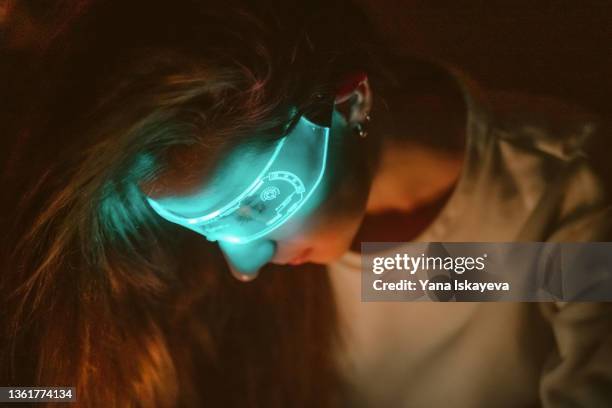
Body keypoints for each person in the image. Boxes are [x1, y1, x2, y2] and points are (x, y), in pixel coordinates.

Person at [1, 0, 611, 407]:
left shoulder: (563, 198)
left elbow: (445, 273)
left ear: (350, 103)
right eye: (204, 230)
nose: (243, 264)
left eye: (256, 206)